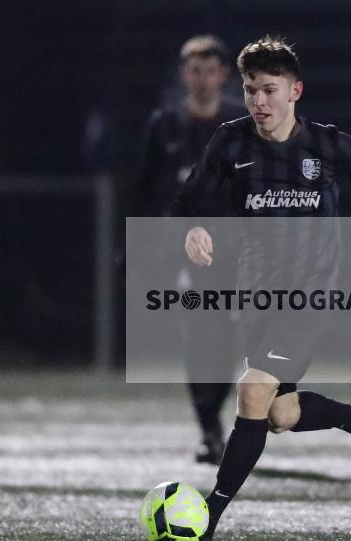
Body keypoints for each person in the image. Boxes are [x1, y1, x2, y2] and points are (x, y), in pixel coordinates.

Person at [173, 35, 351, 541]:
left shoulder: (326, 145)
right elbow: (189, 197)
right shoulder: (231, 141)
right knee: (279, 414)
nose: (258, 102)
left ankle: (208, 517)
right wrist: (194, 226)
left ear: (296, 91)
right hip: (257, 294)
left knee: (251, 391)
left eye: (270, 90)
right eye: (250, 90)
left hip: (310, 292)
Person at [137, 35, 245, 464]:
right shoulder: (164, 125)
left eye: (210, 70)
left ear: (223, 75)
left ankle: (214, 419)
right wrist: (136, 247)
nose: (202, 79)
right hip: (182, 249)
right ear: (184, 75)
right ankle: (208, 429)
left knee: (229, 338)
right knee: (197, 336)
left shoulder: (242, 123)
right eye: (194, 70)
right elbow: (143, 190)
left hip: (235, 247)